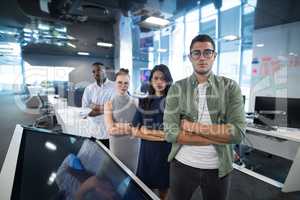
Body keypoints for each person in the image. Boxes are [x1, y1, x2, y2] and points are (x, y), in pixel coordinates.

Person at [164, 34, 246, 200]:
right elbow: (170, 133)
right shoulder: (177, 88)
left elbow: (237, 133)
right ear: (190, 57)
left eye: (207, 52)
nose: (202, 57)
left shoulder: (230, 87)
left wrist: (191, 127)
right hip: (182, 165)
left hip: (219, 167)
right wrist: (220, 135)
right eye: (196, 53)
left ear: (214, 56)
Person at [131, 64, 173, 200]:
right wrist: (162, 136)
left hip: (166, 155)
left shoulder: (173, 103)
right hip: (147, 155)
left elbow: (174, 133)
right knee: (143, 191)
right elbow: (135, 131)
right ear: (151, 81)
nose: (159, 82)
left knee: (164, 191)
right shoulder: (143, 102)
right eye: (156, 78)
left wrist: (147, 131)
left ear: (168, 81)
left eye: (163, 78)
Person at [104, 68, 140, 173]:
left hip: (133, 147)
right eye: (120, 82)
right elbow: (110, 130)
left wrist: (117, 125)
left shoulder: (136, 102)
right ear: (115, 83)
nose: (123, 86)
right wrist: (130, 127)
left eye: (126, 83)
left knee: (132, 177)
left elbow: (140, 127)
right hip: (117, 147)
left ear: (129, 84)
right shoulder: (109, 104)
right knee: (116, 175)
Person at [82, 62, 115, 148]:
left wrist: (93, 106)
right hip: (93, 133)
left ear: (105, 71)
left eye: (99, 70)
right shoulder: (89, 89)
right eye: (94, 71)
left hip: (109, 134)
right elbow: (85, 111)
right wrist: (106, 109)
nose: (96, 73)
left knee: (109, 160)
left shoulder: (114, 87)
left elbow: (114, 109)